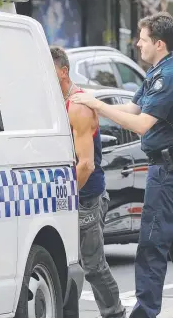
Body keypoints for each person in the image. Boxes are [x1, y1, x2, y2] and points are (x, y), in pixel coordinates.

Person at [72, 12, 173, 318]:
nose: (137, 44)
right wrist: (92, 99)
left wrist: (96, 105)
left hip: (171, 176)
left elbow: (141, 124)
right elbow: (133, 107)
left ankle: (145, 313)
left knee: (150, 248)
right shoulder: (160, 72)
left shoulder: (171, 76)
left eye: (143, 38)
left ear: (158, 43)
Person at [50, 46, 126, 318]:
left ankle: (115, 313)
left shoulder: (79, 106)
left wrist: (65, 198)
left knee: (93, 265)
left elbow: (86, 164)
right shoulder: (57, 102)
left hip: (86, 197)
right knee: (67, 263)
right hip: (72, 195)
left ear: (63, 71)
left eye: (49, 70)